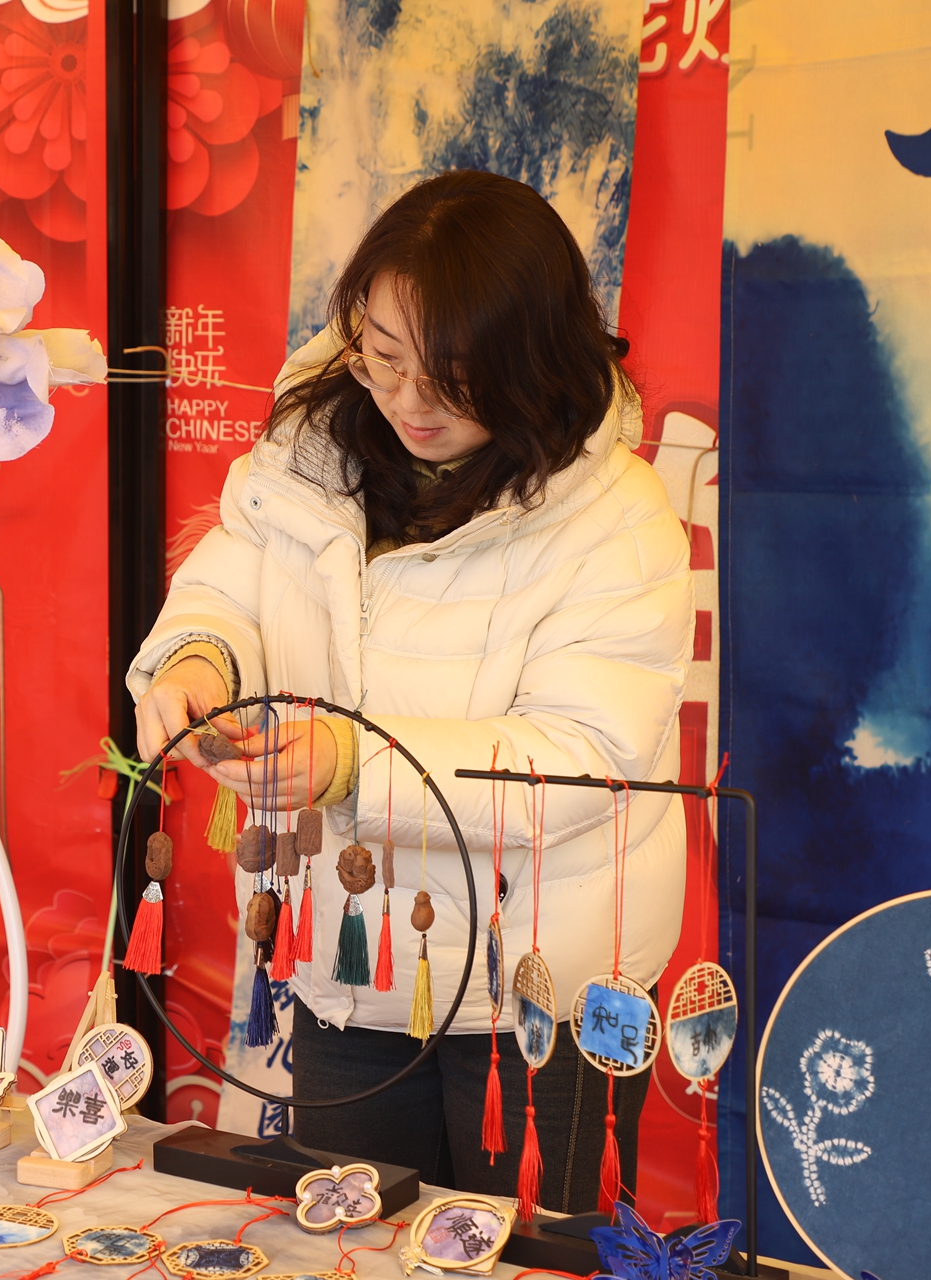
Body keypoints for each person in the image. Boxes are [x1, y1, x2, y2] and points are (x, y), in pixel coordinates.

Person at [128, 171, 693, 1207]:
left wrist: (352, 760)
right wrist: (200, 659)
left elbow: (587, 754)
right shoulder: (306, 455)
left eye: (454, 376)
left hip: (545, 989)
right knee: (348, 1233)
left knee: (522, 1254)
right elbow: (232, 584)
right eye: (383, 357)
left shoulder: (618, 517)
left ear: (532, 361)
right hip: (355, 957)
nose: (407, 401)